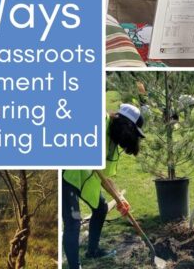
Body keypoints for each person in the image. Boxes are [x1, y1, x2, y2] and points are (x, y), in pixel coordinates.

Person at [62, 104, 145, 269]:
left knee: (100, 209)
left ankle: (93, 251)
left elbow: (105, 177)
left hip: (83, 177)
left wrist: (119, 198)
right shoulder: (98, 120)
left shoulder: (113, 144)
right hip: (65, 174)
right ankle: (74, 266)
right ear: (125, 126)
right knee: (73, 222)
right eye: (132, 133)